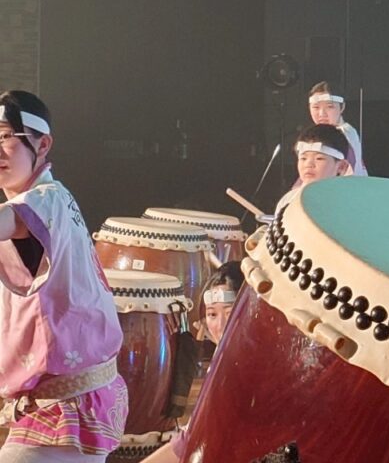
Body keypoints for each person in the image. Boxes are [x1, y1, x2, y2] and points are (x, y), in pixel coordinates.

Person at [0, 90, 127, 461]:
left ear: (43, 144)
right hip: (60, 398)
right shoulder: (49, 200)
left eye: (5, 136)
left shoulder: (48, 199)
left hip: (65, 404)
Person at [143, 263, 246, 463]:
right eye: (212, 314)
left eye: (230, 312)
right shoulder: (226, 362)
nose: (221, 325)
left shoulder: (241, 369)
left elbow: (190, 442)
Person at [275, 124, 352, 215]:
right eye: (303, 158)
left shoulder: (349, 203)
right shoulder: (288, 200)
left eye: (319, 158)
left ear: (341, 166)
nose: (308, 164)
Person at [308, 82, 367, 176]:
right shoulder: (319, 133)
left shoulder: (343, 133)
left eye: (329, 107)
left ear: (342, 107)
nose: (322, 113)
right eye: (316, 107)